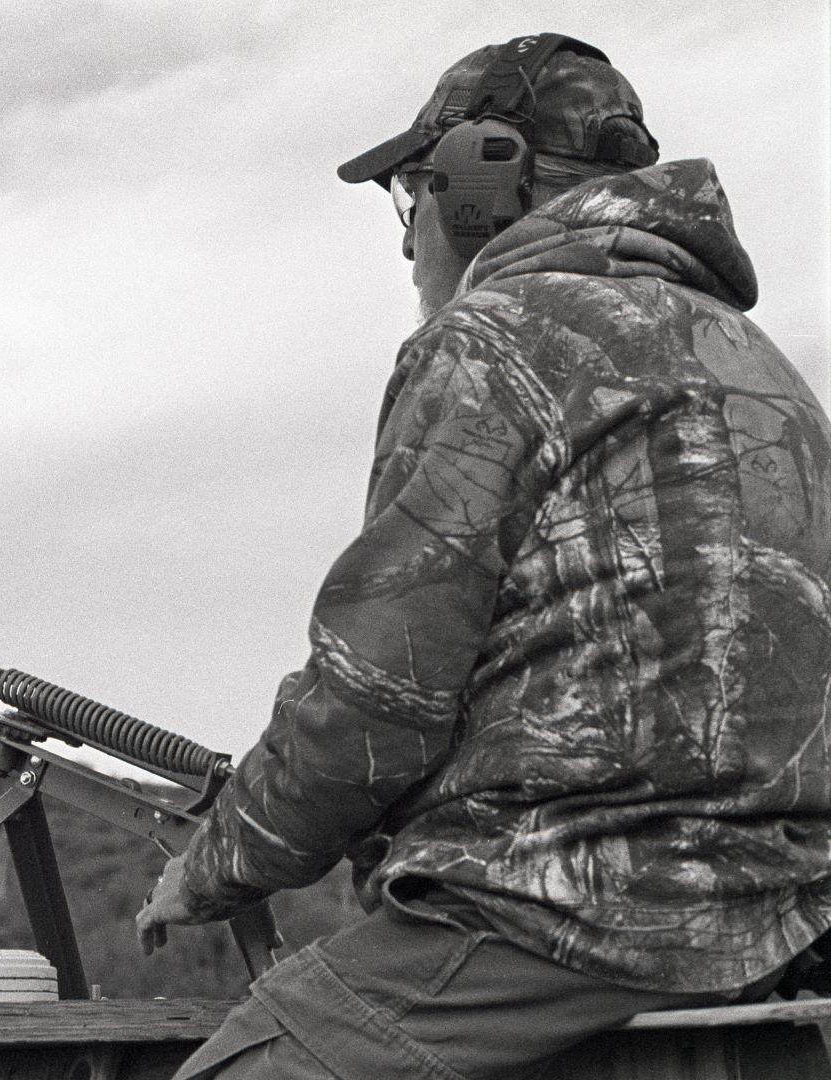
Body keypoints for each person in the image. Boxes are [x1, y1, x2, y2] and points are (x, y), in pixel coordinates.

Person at [136, 33, 831, 1080]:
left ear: (477, 181)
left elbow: (378, 701)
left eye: (409, 196)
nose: (407, 244)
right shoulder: (755, 364)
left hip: (570, 907)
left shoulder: (495, 341)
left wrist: (211, 866)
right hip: (777, 916)